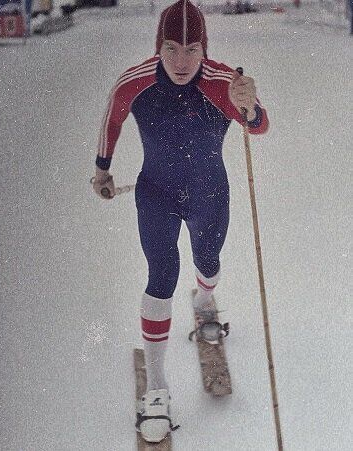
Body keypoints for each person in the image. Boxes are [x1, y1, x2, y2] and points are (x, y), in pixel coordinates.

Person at [91, 0, 269, 443]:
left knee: (209, 263)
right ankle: (156, 387)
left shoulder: (222, 81)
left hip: (210, 193)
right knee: (161, 277)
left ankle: (206, 300)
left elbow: (260, 125)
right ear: (160, 45)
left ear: (204, 47)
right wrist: (102, 169)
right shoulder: (137, 80)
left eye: (192, 49)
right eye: (172, 48)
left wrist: (250, 107)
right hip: (156, 194)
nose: (182, 61)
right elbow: (113, 114)